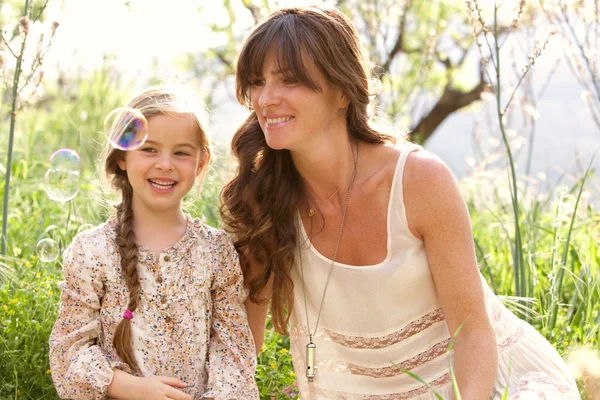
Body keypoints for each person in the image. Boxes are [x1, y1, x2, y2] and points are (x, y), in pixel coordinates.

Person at [220, 6, 580, 400]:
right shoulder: (262, 197)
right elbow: (242, 346)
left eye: (289, 80)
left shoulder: (419, 180)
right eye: (256, 81)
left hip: (485, 382)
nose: (266, 98)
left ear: (342, 91)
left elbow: (474, 333)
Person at [49, 85, 259, 400]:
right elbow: (69, 348)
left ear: (201, 163)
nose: (165, 164)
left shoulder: (216, 251)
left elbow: (233, 352)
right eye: (149, 149)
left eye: (181, 152)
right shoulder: (93, 251)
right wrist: (125, 386)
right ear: (122, 157)